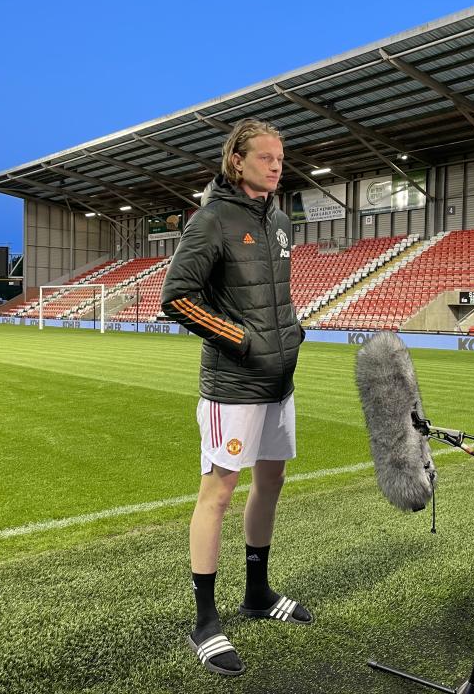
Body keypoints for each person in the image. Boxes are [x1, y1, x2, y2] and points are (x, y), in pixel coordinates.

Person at [161, 118, 311, 677]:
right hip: (233, 384)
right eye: (267, 157)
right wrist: (242, 340)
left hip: (279, 381)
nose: (277, 165)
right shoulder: (211, 219)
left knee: (271, 481)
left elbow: (278, 294)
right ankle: (204, 621)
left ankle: (258, 593)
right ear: (237, 161)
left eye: (281, 156)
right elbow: (177, 298)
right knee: (217, 494)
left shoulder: (278, 218)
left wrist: (289, 332)